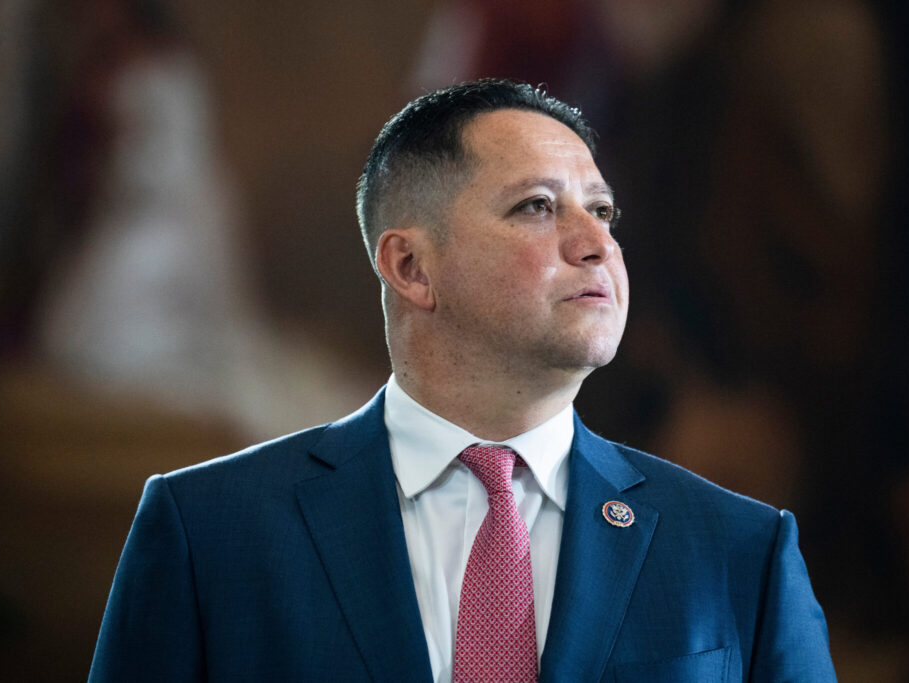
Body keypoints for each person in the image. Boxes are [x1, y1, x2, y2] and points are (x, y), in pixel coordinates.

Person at [89, 78, 837, 682]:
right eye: (538, 206)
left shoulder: (740, 550)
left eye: (603, 210)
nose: (596, 244)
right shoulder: (207, 531)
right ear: (411, 266)